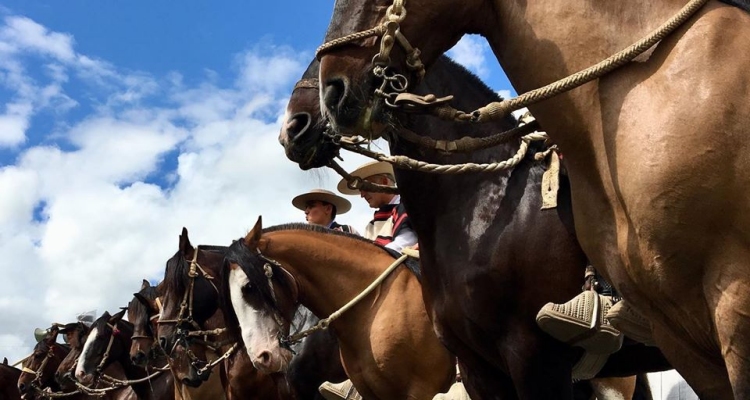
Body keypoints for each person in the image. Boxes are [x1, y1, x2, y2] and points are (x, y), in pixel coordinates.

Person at [318, 161, 418, 400]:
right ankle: (355, 379)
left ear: (384, 182)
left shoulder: (410, 204)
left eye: (365, 188)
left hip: (413, 269)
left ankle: (459, 374)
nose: (362, 195)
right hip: (386, 275)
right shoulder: (373, 222)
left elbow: (402, 245)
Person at [292, 188, 359, 234]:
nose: (306, 212)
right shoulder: (303, 236)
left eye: (311, 206)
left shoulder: (346, 231)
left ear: (328, 209)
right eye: (306, 207)